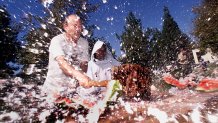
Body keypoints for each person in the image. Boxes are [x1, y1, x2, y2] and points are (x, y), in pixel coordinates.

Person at [42, 14, 91, 99]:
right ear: (65, 27)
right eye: (75, 26)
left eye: (80, 26)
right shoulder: (57, 41)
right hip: (52, 90)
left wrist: (85, 76)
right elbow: (62, 64)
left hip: (72, 91)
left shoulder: (84, 43)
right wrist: (79, 76)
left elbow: (84, 64)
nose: (78, 29)